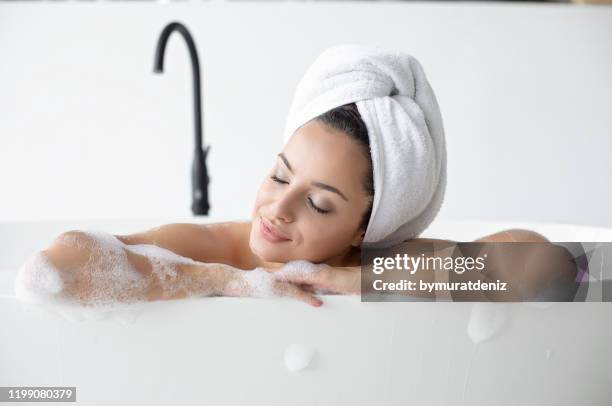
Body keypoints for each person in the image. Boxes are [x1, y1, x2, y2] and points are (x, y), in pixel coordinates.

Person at [31, 46, 576, 308]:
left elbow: (555, 270)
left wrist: (362, 280)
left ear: (366, 226)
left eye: (319, 204)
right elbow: (61, 265)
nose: (276, 209)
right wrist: (217, 280)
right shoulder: (213, 248)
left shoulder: (382, 263)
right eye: (278, 175)